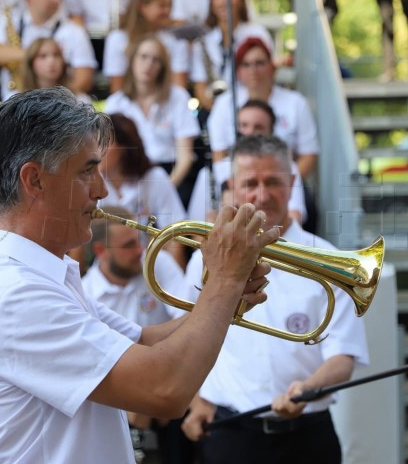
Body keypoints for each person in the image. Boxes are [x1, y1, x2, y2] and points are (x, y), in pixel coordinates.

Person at [0, 86, 278, 463]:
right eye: (88, 171)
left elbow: (146, 343)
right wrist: (223, 283)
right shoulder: (13, 294)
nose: (102, 189)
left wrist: (223, 299)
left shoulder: (36, 275)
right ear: (34, 180)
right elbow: (165, 389)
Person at [180, 135, 369, 464]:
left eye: (273, 182)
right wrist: (197, 399)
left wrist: (307, 389)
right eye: (250, 183)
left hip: (308, 438)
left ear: (293, 182)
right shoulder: (205, 259)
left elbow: (343, 356)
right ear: (232, 186)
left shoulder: (331, 260)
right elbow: (181, 335)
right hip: (229, 434)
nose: (262, 195)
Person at [83, 205, 192, 464]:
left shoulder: (157, 263)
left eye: (139, 241)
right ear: (101, 251)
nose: (140, 251)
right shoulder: (85, 295)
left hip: (172, 392)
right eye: (129, 245)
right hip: (121, 408)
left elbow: (188, 320)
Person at [208, 36, 319, 180]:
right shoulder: (224, 104)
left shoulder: (296, 103)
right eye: (246, 64)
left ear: (271, 67)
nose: (253, 70)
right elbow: (219, 156)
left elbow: (309, 156)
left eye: (259, 63)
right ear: (238, 71)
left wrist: (283, 187)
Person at [187, 99, 307, 225]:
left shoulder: (287, 166)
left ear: (271, 131)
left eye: (258, 127)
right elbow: (196, 228)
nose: (249, 132)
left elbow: (295, 216)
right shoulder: (211, 172)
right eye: (244, 125)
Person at [104, 35, 199, 195]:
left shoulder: (178, 97)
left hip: (171, 174)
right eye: (143, 57)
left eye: (156, 60)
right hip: (128, 177)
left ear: (163, 67)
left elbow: (185, 157)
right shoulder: (116, 102)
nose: (149, 64)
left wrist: (165, 190)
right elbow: (109, 154)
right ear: (132, 61)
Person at [0, 0, 96, 99]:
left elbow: (84, 80)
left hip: (60, 104)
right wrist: (35, 54)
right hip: (16, 99)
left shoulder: (74, 31)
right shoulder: (9, 22)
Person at [190, 0, 272, 110]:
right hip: (217, 111)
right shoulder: (204, 41)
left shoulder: (257, 34)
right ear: (211, 2)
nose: (224, 2)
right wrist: (221, 113)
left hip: (252, 108)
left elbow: (266, 79)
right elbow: (200, 88)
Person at [103, 0, 189, 92]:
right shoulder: (118, 39)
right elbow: (117, 87)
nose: (167, 11)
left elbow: (179, 86)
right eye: (162, 6)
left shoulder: (174, 39)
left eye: (169, 6)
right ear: (142, 7)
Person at [18, 37, 91, 103]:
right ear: (31, 63)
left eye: (56, 55)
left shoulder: (79, 99)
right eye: (43, 56)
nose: (51, 61)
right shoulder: (18, 100)